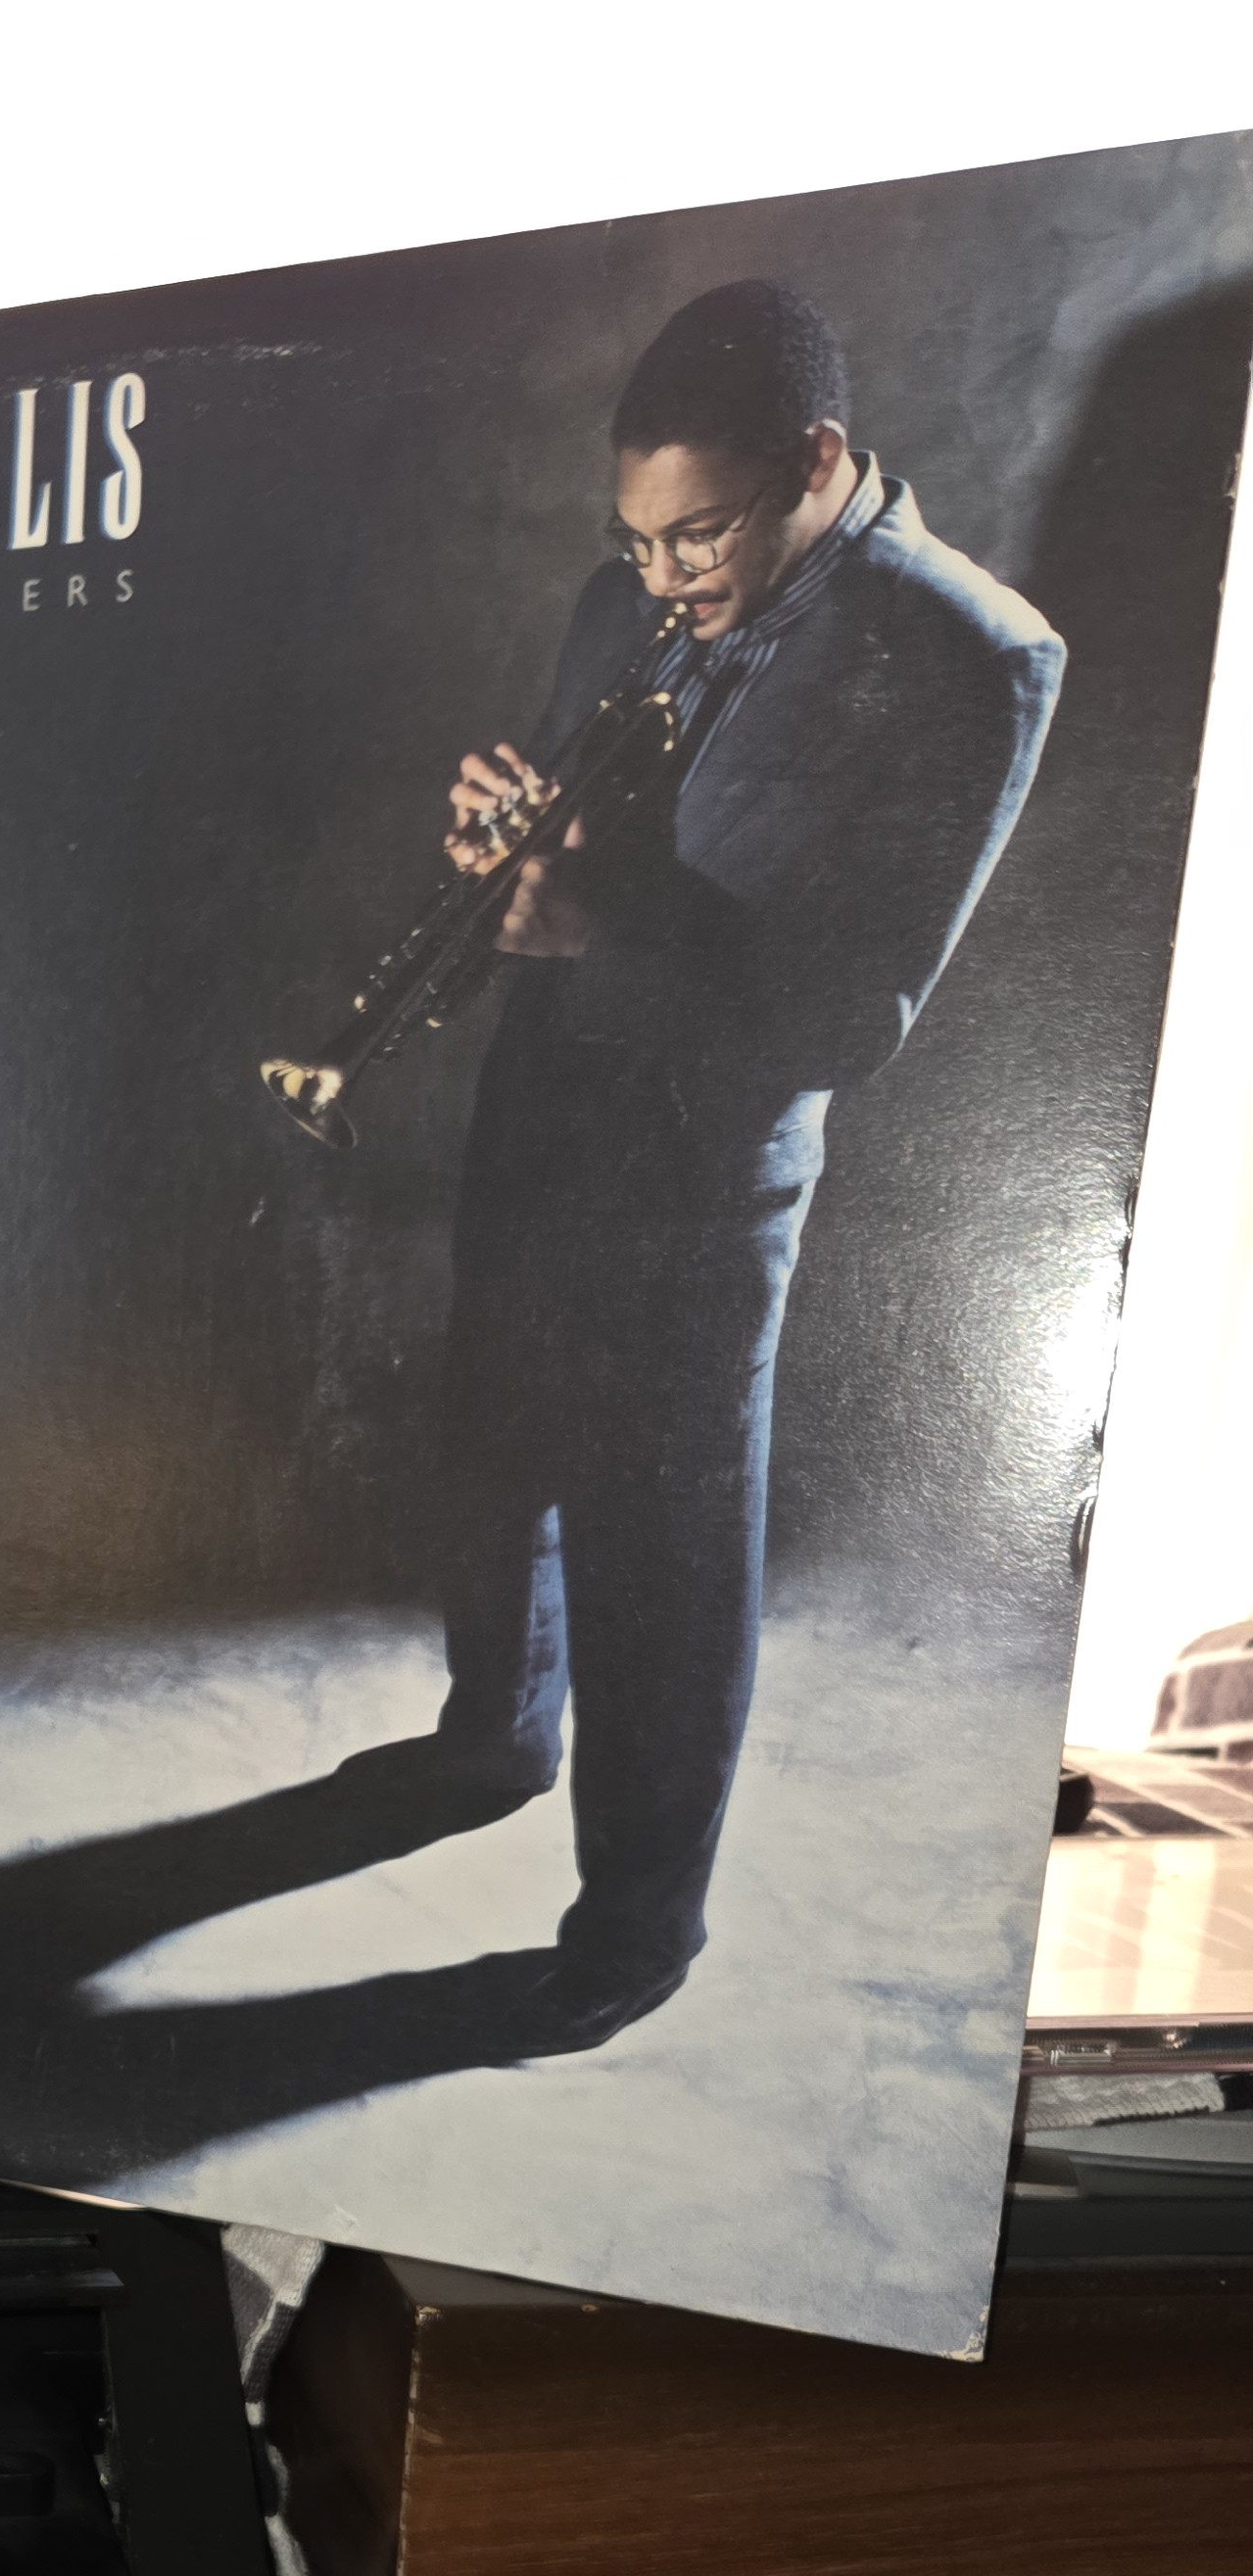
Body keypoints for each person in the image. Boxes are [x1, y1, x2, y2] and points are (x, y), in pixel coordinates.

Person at [400, 278, 1065, 2042]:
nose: (661, 578)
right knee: (488, 1452)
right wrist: (509, 852)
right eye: (636, 541)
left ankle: (637, 1934)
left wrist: (594, 924)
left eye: (695, 536)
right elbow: (589, 837)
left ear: (818, 461)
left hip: (701, 1175)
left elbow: (853, 1013)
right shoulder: (621, 593)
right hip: (545, 1103)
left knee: (661, 1564)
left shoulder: (973, 655)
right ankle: (494, 1738)